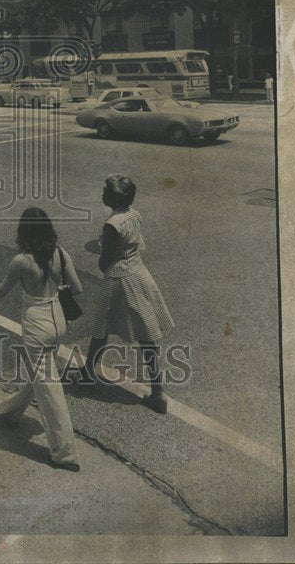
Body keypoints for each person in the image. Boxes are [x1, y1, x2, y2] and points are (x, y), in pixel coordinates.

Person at [0, 207, 84, 472]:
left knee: (50, 392)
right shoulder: (60, 253)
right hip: (58, 321)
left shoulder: (21, 261)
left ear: (24, 231)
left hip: (36, 324)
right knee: (40, 376)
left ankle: (65, 454)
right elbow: (78, 289)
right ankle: (9, 413)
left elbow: (0, 292)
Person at [83, 176, 174, 414]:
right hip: (139, 272)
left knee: (100, 328)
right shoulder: (134, 214)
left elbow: (106, 260)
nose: (102, 193)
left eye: (106, 191)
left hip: (119, 278)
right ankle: (157, 392)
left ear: (115, 197)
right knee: (146, 334)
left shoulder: (112, 224)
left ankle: (87, 373)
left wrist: (103, 259)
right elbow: (137, 244)